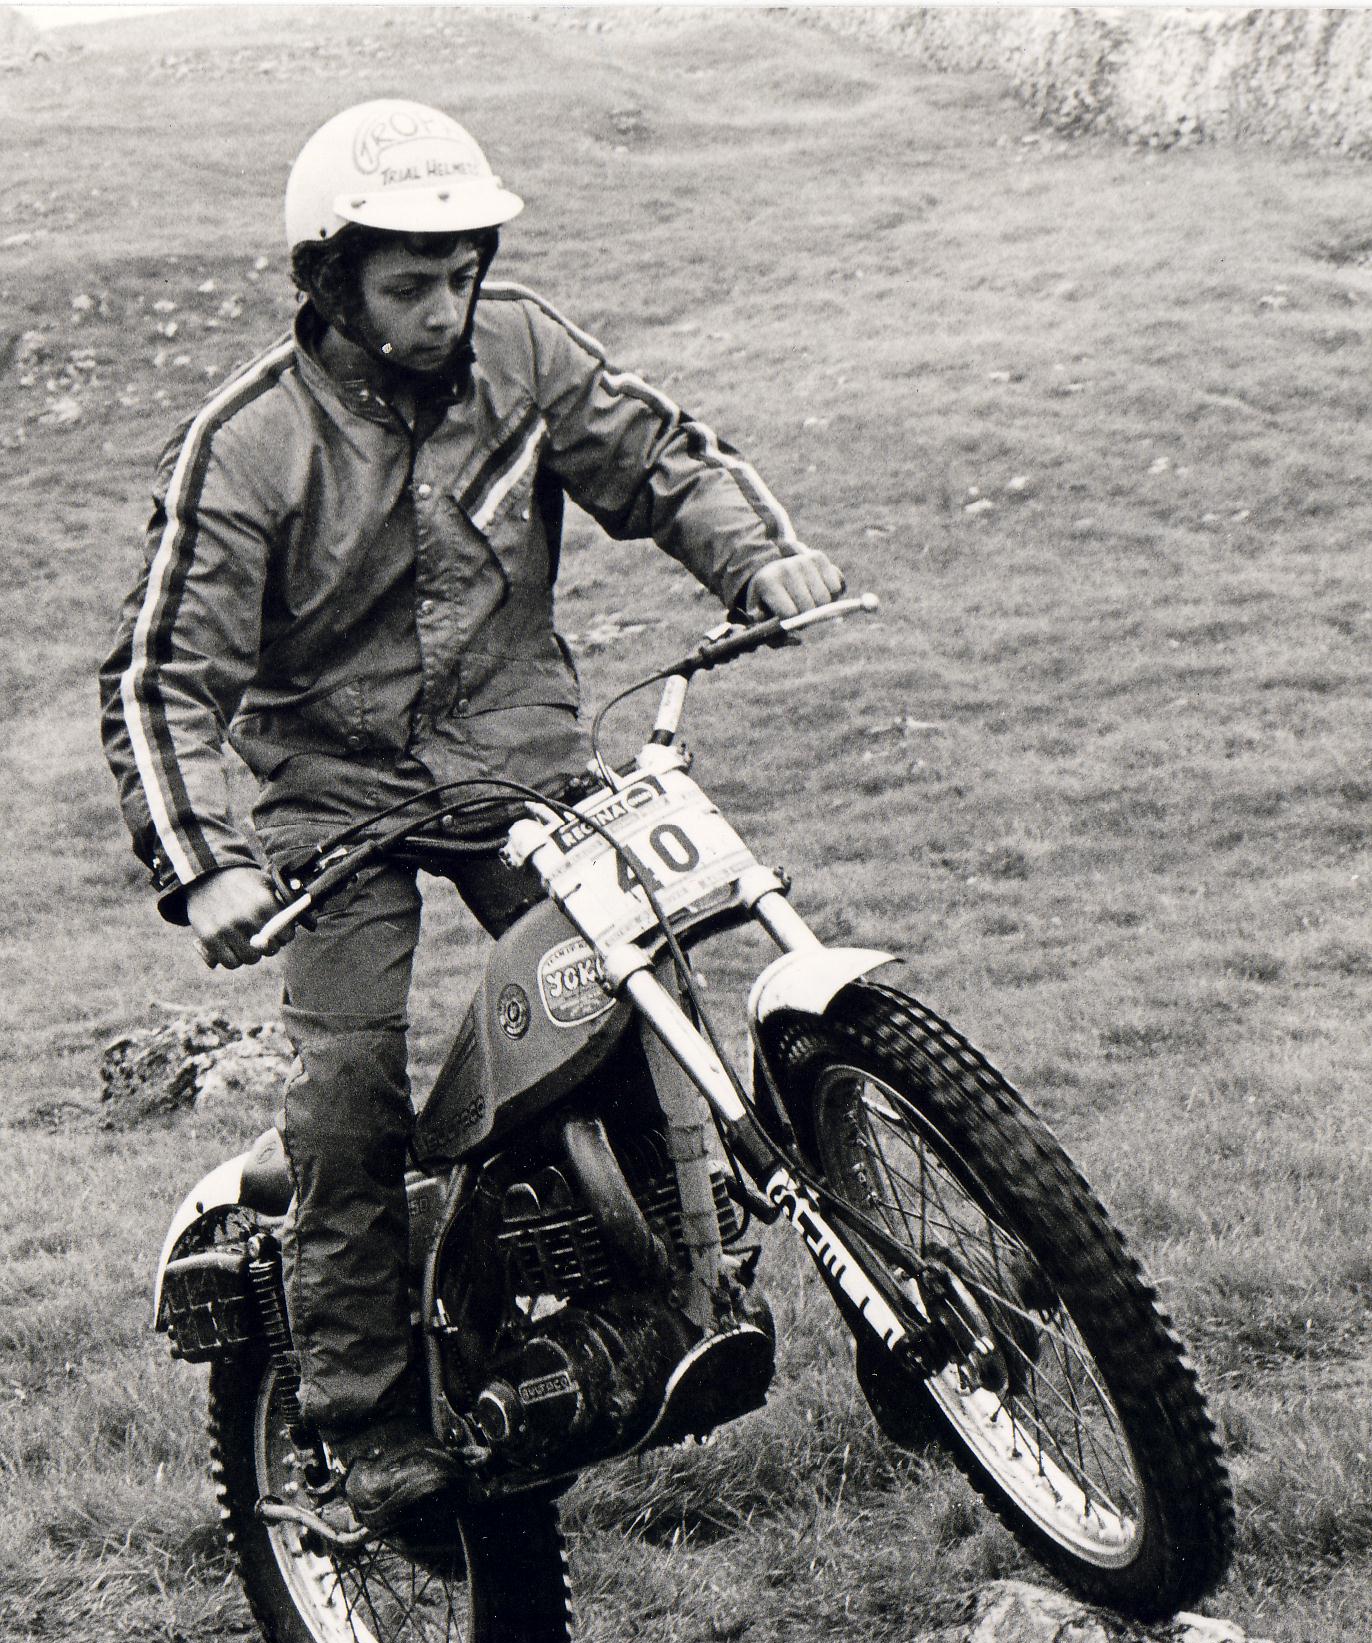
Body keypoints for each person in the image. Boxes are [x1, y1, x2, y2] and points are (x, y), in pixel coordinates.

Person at [100, 98, 843, 1531]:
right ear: (328, 281)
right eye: (407, 284)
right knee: (349, 1090)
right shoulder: (247, 444)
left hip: (516, 753)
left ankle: (675, 1295)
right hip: (338, 798)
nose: (445, 309)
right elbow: (154, 673)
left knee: (632, 978)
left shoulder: (525, 350)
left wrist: (762, 560)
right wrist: (201, 868)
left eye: (462, 274)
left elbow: (658, 454)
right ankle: (365, 1423)